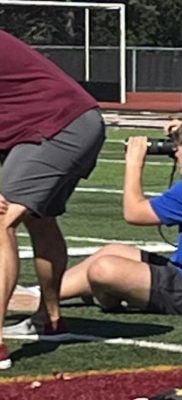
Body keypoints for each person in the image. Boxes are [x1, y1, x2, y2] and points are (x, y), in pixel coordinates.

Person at [47, 114, 182, 317]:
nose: (176, 153)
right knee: (111, 251)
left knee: (103, 269)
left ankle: (101, 294)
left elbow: (134, 213)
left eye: (179, 148)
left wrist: (134, 163)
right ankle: (44, 294)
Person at [0, 30, 107, 367]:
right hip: (63, 122)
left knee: (1, 221)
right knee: (38, 217)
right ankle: (52, 318)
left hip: (59, 126)